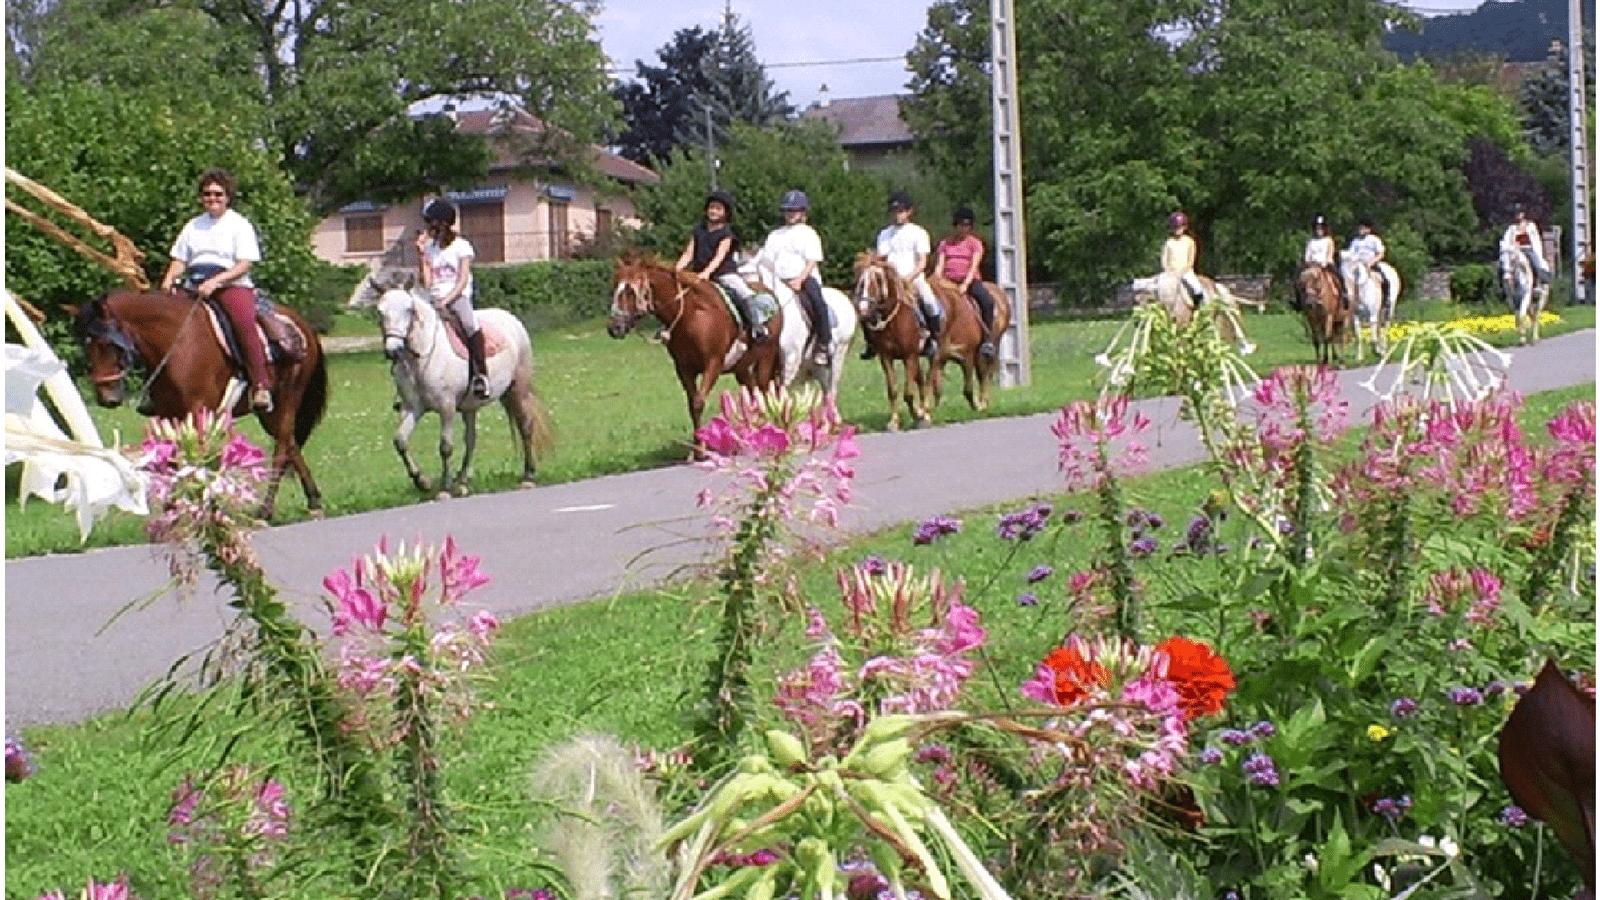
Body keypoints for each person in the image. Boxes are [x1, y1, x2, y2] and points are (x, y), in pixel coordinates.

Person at [160, 169, 279, 413]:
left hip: (231, 284)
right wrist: (170, 278)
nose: (212, 199)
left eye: (218, 194)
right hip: (194, 283)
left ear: (228, 196)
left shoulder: (239, 225)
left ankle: (260, 385)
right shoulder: (193, 226)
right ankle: (160, 390)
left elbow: (245, 263)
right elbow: (180, 259)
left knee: (243, 322)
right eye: (207, 194)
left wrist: (217, 282)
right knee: (164, 323)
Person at [415, 198, 488, 398]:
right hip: (433, 296)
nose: (428, 228)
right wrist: (422, 255)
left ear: (443, 224)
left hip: (456, 296)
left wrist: (447, 300)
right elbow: (427, 282)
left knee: (469, 324)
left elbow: (462, 280)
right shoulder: (430, 248)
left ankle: (480, 374)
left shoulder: (462, 246)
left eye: (432, 223)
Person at [675, 190, 765, 342]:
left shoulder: (726, 234)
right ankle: (669, 328)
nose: (714, 211)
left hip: (723, 273)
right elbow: (688, 254)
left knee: (745, 293)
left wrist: (706, 274)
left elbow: (719, 257)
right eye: (711, 207)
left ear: (725, 212)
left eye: (718, 209)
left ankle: (757, 326)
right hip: (698, 273)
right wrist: (676, 270)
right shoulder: (698, 231)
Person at [755, 190, 832, 367]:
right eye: (788, 211)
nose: (791, 214)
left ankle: (823, 344)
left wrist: (799, 280)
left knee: (818, 303)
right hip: (778, 281)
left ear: (803, 213)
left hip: (803, 279)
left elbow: (812, 260)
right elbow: (766, 261)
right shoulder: (775, 235)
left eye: (795, 211)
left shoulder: (808, 233)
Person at [874, 191, 942, 359]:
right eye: (896, 211)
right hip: (891, 280)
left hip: (912, 277)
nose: (898, 214)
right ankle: (872, 342)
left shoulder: (918, 233)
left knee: (929, 300)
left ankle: (934, 337)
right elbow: (881, 259)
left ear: (909, 212)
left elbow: (922, 262)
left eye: (902, 210)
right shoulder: (884, 234)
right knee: (869, 304)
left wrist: (909, 277)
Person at [934, 205, 997, 359]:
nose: (964, 228)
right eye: (961, 225)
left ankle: (987, 339)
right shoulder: (945, 244)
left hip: (969, 281)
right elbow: (939, 265)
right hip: (948, 282)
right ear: (956, 225)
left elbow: (973, 266)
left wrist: (965, 285)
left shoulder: (975, 244)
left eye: (967, 225)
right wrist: (936, 281)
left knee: (987, 302)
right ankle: (933, 338)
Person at [1500, 203, 1552, 289]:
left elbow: (1536, 240)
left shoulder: (1530, 226)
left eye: (1520, 212)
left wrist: (1538, 252)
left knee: (1535, 262)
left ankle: (1541, 280)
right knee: (1503, 264)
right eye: (1516, 213)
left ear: (1523, 213)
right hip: (1515, 250)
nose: (1518, 214)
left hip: (1527, 248)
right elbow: (1506, 241)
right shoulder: (1512, 228)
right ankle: (1502, 286)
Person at [1302, 213, 1348, 310]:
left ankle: (1344, 294)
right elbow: (1307, 256)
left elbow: (1330, 254)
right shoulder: (1311, 242)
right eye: (1318, 228)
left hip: (1326, 265)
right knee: (1301, 278)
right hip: (1313, 266)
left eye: (1321, 228)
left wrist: (1324, 263)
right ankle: (1299, 299)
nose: (1319, 230)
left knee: (1338, 276)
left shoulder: (1328, 240)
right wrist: (1309, 263)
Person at [1161, 211, 1206, 307]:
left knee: (1196, 286)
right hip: (1171, 273)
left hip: (1185, 272)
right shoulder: (1169, 242)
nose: (1177, 230)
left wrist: (1184, 270)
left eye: (1179, 227)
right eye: (1175, 228)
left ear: (1184, 227)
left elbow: (1191, 259)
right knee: (1159, 284)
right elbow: (1164, 258)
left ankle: (1201, 303)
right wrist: (1167, 269)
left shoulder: (1189, 241)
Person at [1346, 217, 1390, 300]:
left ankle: (1386, 298)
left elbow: (1380, 253)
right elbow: (1351, 254)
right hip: (1357, 265)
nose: (1361, 229)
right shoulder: (1355, 241)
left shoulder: (1374, 240)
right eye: (1360, 227)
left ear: (1368, 229)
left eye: (1363, 227)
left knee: (1384, 278)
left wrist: (1371, 262)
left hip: (1371, 264)